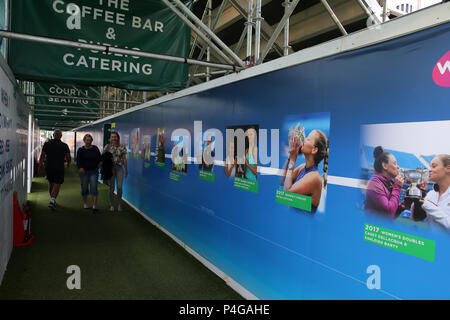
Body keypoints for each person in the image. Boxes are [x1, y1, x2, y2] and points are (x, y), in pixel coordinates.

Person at [281, 128, 329, 213]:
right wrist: (291, 153)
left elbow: (286, 196)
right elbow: (283, 180)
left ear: (314, 150)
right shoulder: (302, 167)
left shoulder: (314, 177)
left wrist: (293, 158)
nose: (304, 139)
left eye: (308, 139)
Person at [412, 155, 450, 230]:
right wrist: (420, 196)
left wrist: (428, 205)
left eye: (434, 166)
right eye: (430, 167)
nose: (430, 170)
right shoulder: (431, 194)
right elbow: (417, 218)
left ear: (448, 168)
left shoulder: (428, 203)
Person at [364, 146, 404, 217]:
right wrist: (397, 187)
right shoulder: (375, 184)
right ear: (385, 165)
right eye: (395, 163)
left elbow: (389, 216)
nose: (398, 167)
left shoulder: (387, 183)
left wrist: (401, 207)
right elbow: (389, 212)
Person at [38, 130, 71, 210]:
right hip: (59, 167)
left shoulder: (47, 144)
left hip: (48, 166)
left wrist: (40, 166)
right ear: (61, 136)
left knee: (51, 182)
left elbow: (42, 156)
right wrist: (68, 163)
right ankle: (52, 200)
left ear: (53, 135)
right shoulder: (64, 145)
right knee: (57, 182)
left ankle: (52, 199)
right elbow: (68, 156)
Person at [104, 132, 128, 212]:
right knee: (111, 187)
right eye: (112, 137)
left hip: (119, 168)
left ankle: (119, 204)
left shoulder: (122, 147)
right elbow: (103, 157)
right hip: (110, 169)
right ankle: (111, 205)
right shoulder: (107, 147)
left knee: (119, 187)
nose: (114, 138)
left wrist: (126, 170)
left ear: (117, 138)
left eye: (115, 137)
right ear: (110, 138)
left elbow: (124, 159)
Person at [76, 134, 101, 212]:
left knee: (94, 187)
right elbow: (78, 160)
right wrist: (80, 168)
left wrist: (99, 165)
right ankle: (85, 203)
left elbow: (99, 158)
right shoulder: (81, 150)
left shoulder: (95, 149)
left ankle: (94, 206)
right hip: (84, 172)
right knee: (84, 188)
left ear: (92, 141)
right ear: (84, 141)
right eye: (87, 140)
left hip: (94, 171)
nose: (88, 142)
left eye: (90, 140)